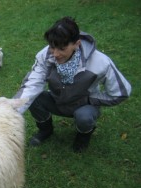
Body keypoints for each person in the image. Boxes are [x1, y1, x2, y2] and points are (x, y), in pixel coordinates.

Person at [14, 16, 131, 152]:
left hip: (84, 106)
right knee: (31, 98)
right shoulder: (45, 56)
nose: (55, 54)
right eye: (52, 47)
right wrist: (11, 112)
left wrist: (90, 99)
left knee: (84, 117)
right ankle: (45, 130)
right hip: (57, 100)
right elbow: (32, 85)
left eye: (62, 48)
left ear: (77, 44)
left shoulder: (100, 62)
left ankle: (83, 135)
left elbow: (121, 93)